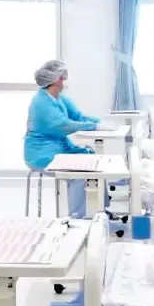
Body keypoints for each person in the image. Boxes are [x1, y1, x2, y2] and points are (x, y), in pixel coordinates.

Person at [24, 60, 113, 219]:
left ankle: (102, 209)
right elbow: (64, 125)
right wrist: (93, 127)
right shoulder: (41, 103)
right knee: (77, 174)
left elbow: (78, 117)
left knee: (93, 158)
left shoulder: (58, 98)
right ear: (54, 79)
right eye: (62, 74)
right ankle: (77, 219)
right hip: (42, 154)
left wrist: (99, 122)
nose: (65, 77)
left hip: (60, 148)